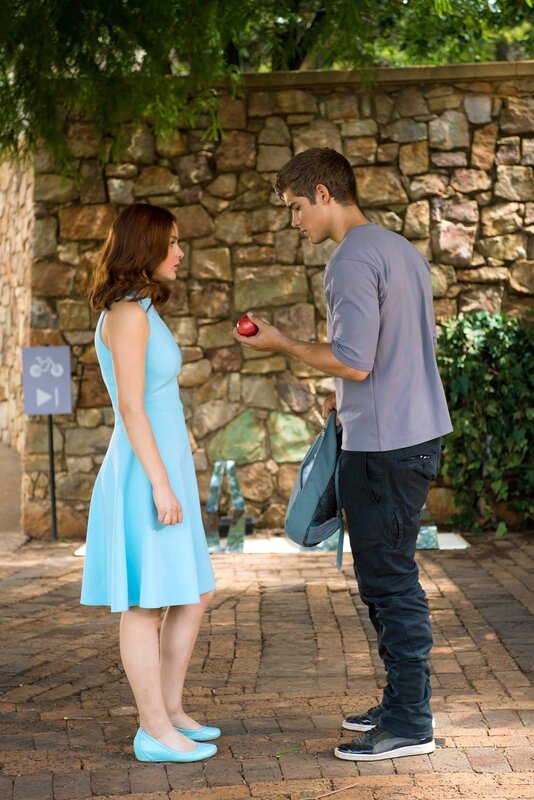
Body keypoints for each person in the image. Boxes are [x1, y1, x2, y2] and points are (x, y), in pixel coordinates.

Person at [233, 148, 452, 762]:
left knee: (389, 583)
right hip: (410, 435)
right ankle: (403, 702)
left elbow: (355, 360)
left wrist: (280, 343)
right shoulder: (398, 249)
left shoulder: (350, 259)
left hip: (384, 446)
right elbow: (393, 350)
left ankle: (410, 722)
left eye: (296, 207)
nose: (294, 220)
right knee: (388, 577)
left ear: (324, 194)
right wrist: (344, 400)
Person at [81, 204, 218, 763]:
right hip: (144, 472)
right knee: (144, 604)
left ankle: (171, 711)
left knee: (195, 591)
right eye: (173, 241)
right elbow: (132, 408)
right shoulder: (126, 314)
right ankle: (153, 730)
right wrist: (161, 484)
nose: (180, 252)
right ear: (146, 246)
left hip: (163, 466)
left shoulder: (141, 308)